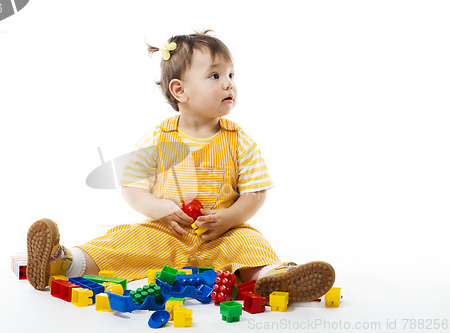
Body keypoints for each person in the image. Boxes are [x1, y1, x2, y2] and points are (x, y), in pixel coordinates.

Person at [26, 30, 335, 302]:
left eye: (231, 75)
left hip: (223, 235)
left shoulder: (240, 140)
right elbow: (132, 187)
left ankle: (274, 278)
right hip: (165, 233)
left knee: (251, 243)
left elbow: (255, 194)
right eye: (216, 76)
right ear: (179, 91)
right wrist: (157, 207)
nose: (229, 84)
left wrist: (230, 217)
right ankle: (64, 261)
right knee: (122, 241)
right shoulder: (158, 138)